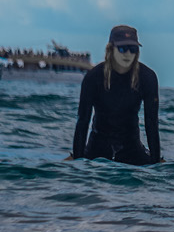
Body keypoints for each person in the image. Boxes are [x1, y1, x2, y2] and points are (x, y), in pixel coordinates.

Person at [67, 24, 162, 164]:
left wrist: (156, 163)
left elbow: (151, 124)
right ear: (111, 49)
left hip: (132, 150)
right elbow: (82, 122)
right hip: (96, 149)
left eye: (133, 49)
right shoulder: (93, 77)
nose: (128, 54)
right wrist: (77, 160)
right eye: (123, 48)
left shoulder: (147, 77)